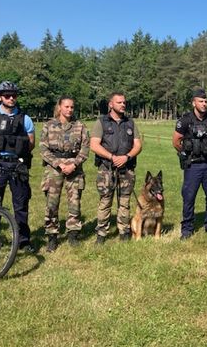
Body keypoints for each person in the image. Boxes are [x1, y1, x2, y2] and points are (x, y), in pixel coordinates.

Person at [0, 81, 36, 253]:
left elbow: (31, 143)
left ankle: (23, 241)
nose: (11, 98)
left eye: (14, 95)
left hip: (17, 165)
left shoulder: (25, 119)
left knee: (21, 204)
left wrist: (16, 155)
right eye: (7, 95)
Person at [90, 91, 142, 244]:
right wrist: (112, 157)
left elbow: (138, 145)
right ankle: (101, 233)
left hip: (127, 168)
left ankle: (124, 231)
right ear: (111, 104)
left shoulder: (130, 123)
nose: (123, 104)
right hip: (106, 169)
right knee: (105, 201)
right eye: (119, 102)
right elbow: (94, 144)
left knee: (124, 202)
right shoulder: (101, 122)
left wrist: (126, 157)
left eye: (124, 102)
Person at [40, 96, 90, 252]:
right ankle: (52, 235)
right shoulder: (48, 125)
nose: (69, 110)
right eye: (67, 107)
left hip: (74, 168)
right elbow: (43, 149)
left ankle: (73, 234)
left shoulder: (80, 126)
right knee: (52, 203)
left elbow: (85, 149)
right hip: (54, 169)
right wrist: (59, 164)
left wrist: (74, 164)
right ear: (59, 107)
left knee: (74, 202)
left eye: (72, 107)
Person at [173, 88, 207, 240]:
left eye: (206, 101)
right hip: (193, 165)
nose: (204, 104)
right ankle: (187, 228)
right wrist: (187, 153)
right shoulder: (185, 120)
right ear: (193, 102)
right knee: (189, 196)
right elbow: (176, 141)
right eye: (201, 101)